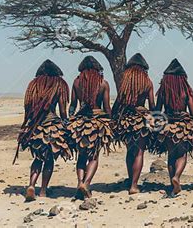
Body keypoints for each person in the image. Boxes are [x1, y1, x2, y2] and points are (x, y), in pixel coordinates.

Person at [14, 60, 72, 202]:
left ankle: (32, 185)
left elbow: (27, 107)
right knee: (49, 159)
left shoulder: (33, 84)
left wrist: (28, 125)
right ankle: (44, 191)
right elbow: (63, 110)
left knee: (38, 157)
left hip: (35, 127)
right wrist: (66, 124)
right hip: (52, 125)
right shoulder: (59, 84)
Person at [67, 56, 113, 199]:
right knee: (93, 156)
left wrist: (70, 119)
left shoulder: (76, 82)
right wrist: (111, 122)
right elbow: (106, 107)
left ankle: (80, 182)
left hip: (80, 123)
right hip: (97, 123)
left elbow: (73, 105)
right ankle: (86, 183)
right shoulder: (103, 83)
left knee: (81, 156)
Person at [152, 58, 193, 196]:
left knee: (171, 155)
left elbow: (158, 110)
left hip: (168, 125)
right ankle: (177, 177)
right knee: (182, 155)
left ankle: (172, 186)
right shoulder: (187, 90)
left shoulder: (163, 90)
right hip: (184, 125)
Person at [112, 53, 155, 195]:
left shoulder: (125, 80)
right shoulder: (147, 82)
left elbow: (119, 101)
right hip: (141, 120)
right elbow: (152, 105)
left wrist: (113, 117)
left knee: (130, 151)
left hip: (126, 119)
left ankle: (131, 180)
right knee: (139, 152)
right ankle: (134, 185)